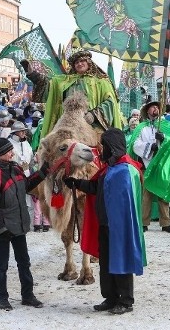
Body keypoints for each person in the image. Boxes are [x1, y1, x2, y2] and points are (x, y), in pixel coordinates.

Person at [64, 128, 145, 315]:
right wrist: (76, 183)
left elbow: (129, 204)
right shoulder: (108, 169)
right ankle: (110, 297)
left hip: (121, 227)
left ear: (113, 147)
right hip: (105, 224)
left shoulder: (127, 171)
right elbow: (95, 187)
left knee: (121, 262)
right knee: (106, 263)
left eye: (105, 146)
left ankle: (125, 300)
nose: (101, 150)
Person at [0, 137, 49, 311]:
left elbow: (26, 186)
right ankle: (1, 298)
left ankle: (27, 295)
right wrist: (0, 228)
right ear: (0, 154)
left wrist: (43, 172)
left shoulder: (16, 168)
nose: (12, 152)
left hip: (18, 224)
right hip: (2, 227)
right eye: (9, 150)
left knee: (24, 261)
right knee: (2, 264)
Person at [25, 50, 122, 139]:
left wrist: (94, 115)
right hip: (69, 126)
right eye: (76, 62)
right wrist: (33, 75)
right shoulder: (65, 81)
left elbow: (110, 102)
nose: (79, 64)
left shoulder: (102, 82)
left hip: (93, 126)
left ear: (88, 62)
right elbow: (50, 88)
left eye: (82, 61)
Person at [130, 101, 170, 234]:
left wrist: (164, 138)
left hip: (161, 164)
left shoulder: (166, 125)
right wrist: (150, 147)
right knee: (146, 195)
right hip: (147, 164)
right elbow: (135, 144)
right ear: (148, 110)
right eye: (153, 107)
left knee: (163, 193)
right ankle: (144, 223)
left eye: (157, 107)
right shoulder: (141, 127)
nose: (155, 109)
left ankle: (166, 223)